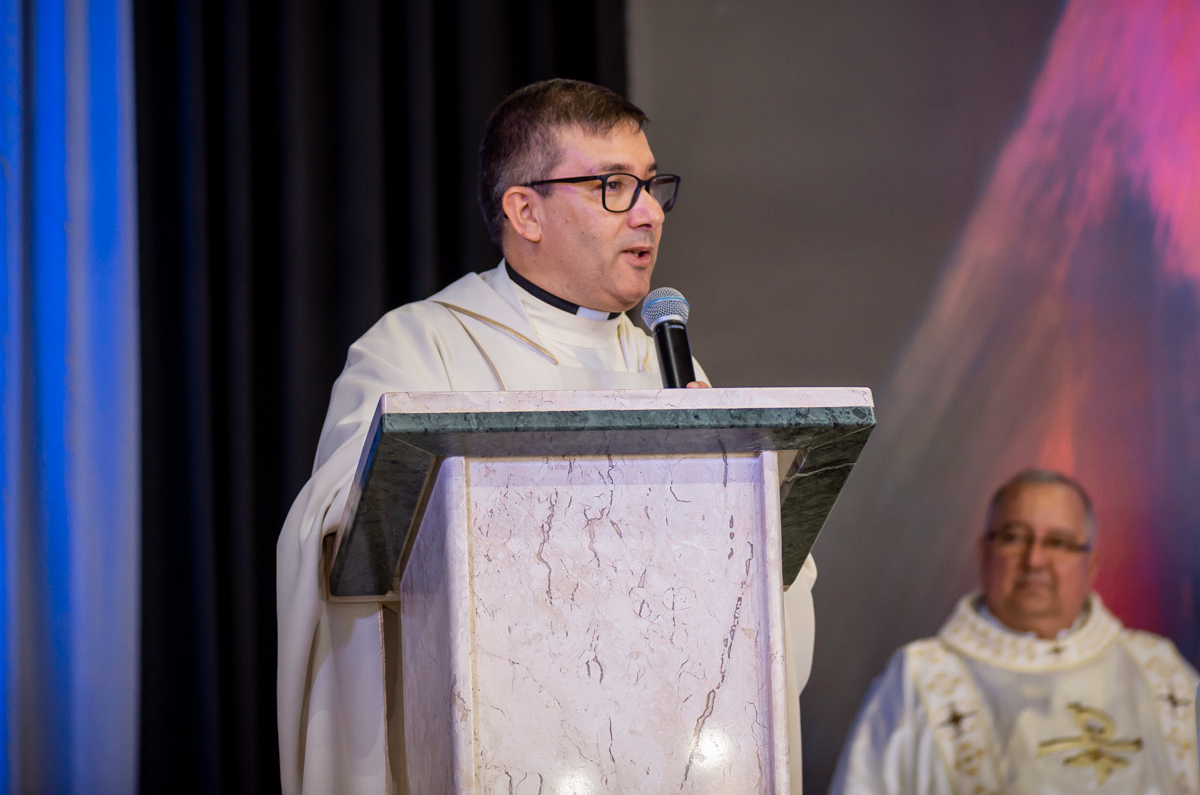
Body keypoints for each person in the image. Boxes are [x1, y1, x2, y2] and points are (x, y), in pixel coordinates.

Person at [276, 79, 818, 794]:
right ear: (525, 211)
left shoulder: (668, 371)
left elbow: (765, 577)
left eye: (652, 185)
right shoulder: (420, 351)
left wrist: (737, 497)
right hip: (488, 747)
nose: (650, 213)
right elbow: (338, 538)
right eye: (614, 186)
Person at [830, 469, 1200, 794]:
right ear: (984, 552)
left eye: (1058, 542)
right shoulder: (920, 677)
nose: (1034, 560)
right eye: (1014, 537)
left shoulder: (1158, 670)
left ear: (1091, 566)